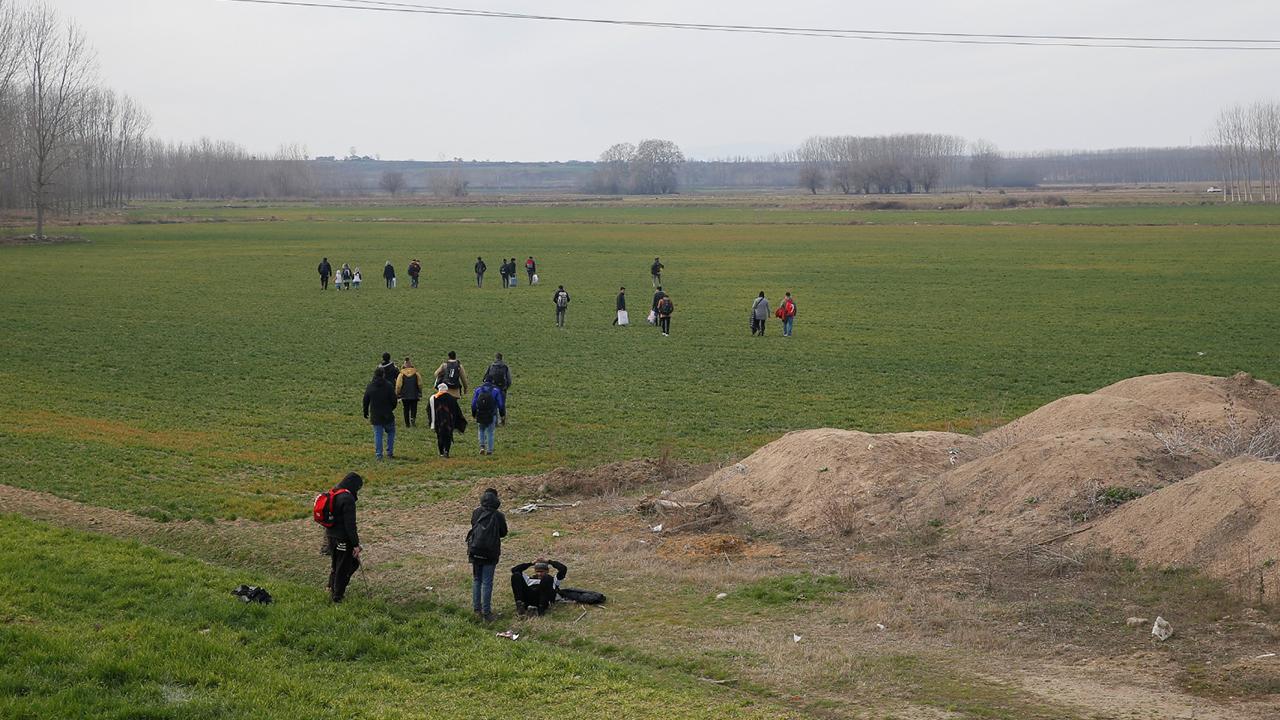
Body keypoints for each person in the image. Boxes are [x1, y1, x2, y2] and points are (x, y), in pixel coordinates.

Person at [467, 488, 508, 622]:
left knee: (477, 580)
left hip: (475, 550)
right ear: (496, 499)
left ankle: (476, 610)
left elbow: (473, 525)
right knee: (487, 582)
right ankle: (487, 613)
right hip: (490, 552)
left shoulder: (476, 512)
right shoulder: (499, 515)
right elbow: (503, 533)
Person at [325, 471, 364, 603]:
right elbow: (350, 525)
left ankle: (331, 587)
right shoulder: (348, 499)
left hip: (330, 535)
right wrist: (356, 545)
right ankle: (337, 596)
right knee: (345, 566)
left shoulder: (334, 492)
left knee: (337, 564)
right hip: (342, 538)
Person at [362, 368, 398, 460]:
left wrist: (365, 412)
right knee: (391, 432)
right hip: (387, 414)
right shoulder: (389, 385)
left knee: (378, 435)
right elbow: (394, 400)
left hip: (375, 415)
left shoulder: (370, 386)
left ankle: (379, 454)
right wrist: (391, 408)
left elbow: (365, 400)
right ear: (383, 375)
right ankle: (389, 452)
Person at [430, 382, 466, 457]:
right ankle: (447, 450)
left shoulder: (433, 398)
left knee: (440, 436)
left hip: (438, 422)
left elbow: (429, 410)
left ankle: (441, 452)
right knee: (448, 436)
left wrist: (431, 422)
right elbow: (457, 411)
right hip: (449, 422)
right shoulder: (452, 398)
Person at [471, 379, 506, 455]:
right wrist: (502, 414)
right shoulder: (496, 390)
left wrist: (474, 414)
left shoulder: (478, 390)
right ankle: (490, 450)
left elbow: (473, 403)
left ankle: (482, 446)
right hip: (491, 414)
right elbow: (501, 404)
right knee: (490, 432)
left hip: (480, 414)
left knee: (481, 430)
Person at [395, 357, 423, 427]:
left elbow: (398, 385)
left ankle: (407, 423)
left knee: (406, 409)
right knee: (414, 407)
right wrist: (420, 391)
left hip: (405, 394)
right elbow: (420, 384)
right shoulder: (416, 373)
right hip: (414, 394)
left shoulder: (401, 374)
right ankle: (412, 418)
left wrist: (398, 393)